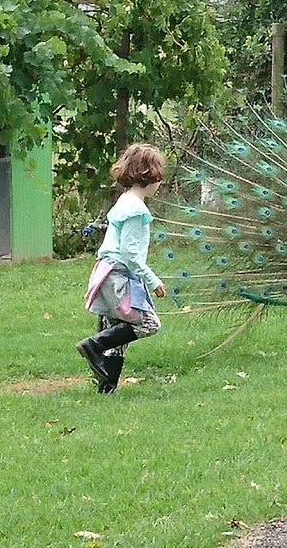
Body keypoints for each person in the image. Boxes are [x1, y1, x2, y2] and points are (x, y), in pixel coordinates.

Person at [77, 143, 166, 393]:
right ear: (150, 175)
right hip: (119, 274)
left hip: (105, 270)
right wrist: (152, 280)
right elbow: (131, 254)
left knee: (116, 329)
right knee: (149, 323)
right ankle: (93, 345)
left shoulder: (124, 201)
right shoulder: (137, 211)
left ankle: (107, 388)